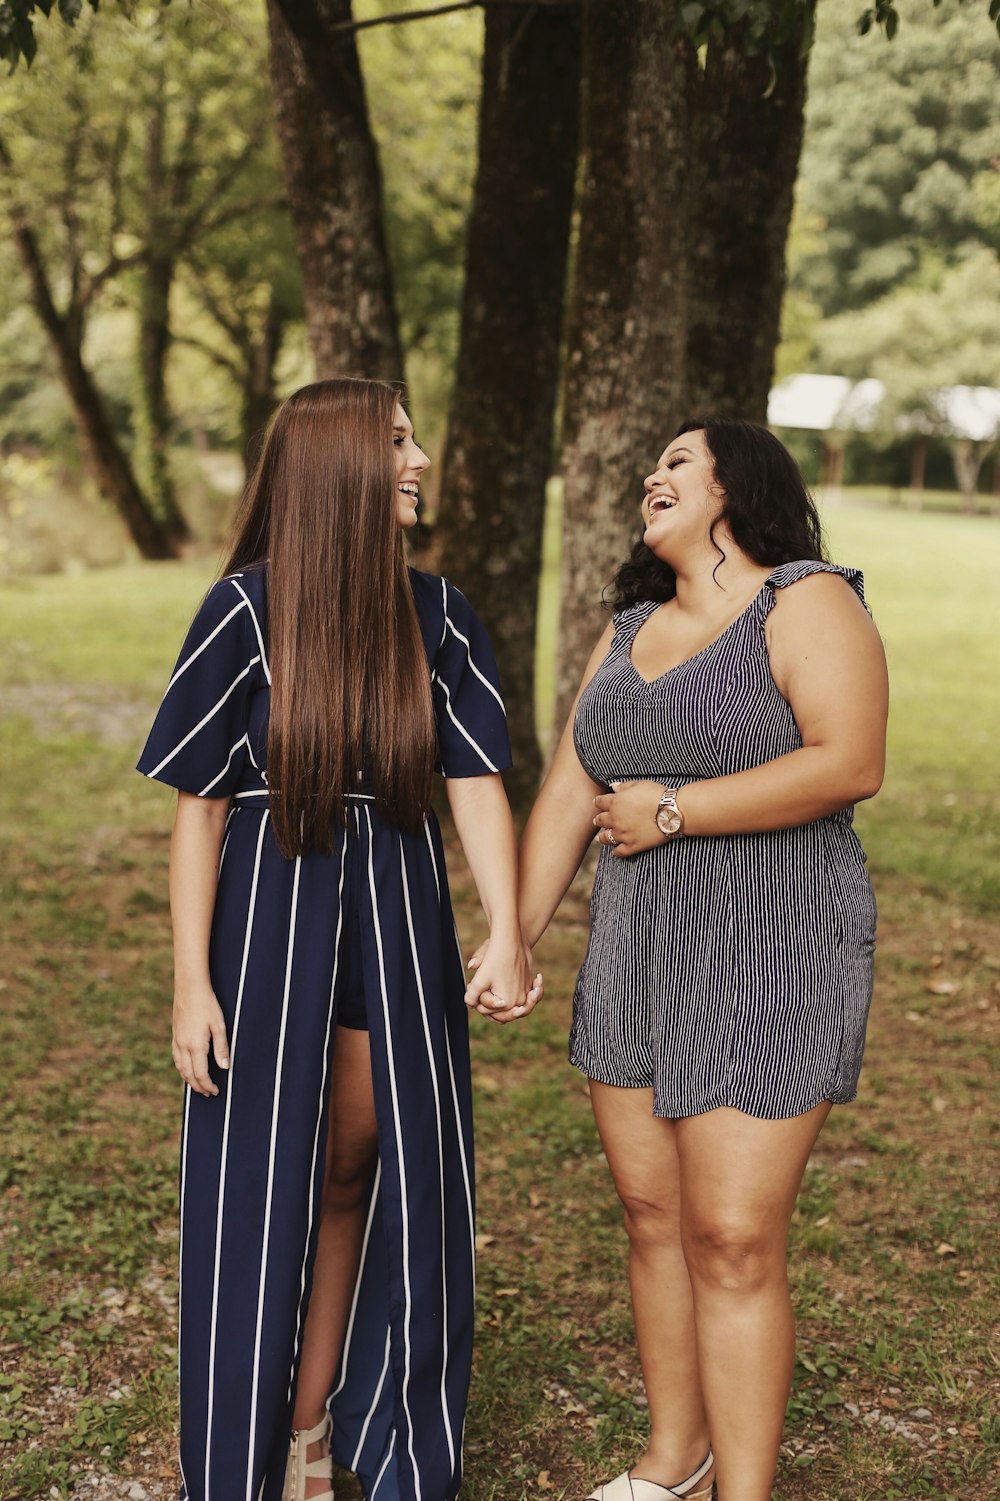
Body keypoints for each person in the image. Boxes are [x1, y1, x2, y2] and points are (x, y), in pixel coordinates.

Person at [137, 379, 541, 1501]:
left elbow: (474, 780)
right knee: (260, 1181)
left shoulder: (443, 614)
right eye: (398, 440)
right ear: (341, 467)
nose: (418, 458)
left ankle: (312, 1422)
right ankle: (237, 1450)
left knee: (359, 1165)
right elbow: (198, 807)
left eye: (414, 439)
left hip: (399, 912)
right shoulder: (245, 610)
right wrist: (188, 984)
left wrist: (506, 929)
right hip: (267, 916)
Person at [512, 420, 888, 1501]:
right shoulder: (628, 627)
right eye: (654, 466)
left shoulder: (805, 597)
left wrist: (675, 808)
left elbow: (848, 760)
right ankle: (670, 1460)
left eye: (678, 461)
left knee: (729, 1236)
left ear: (736, 484)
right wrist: (512, 937)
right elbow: (573, 791)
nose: (653, 477)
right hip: (638, 950)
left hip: (773, 945)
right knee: (654, 1218)